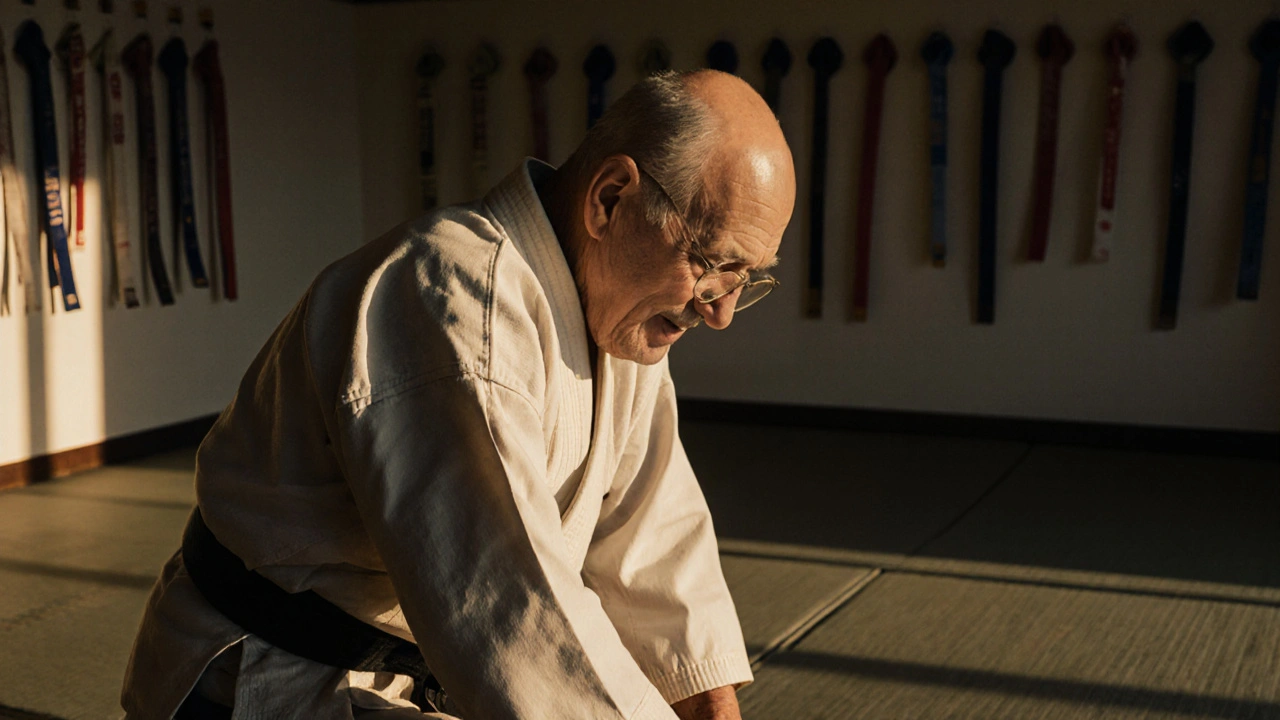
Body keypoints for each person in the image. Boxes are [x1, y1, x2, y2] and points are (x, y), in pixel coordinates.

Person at [121, 69, 795, 720]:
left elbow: (654, 543)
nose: (721, 311)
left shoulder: (626, 319)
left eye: (747, 279)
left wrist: (709, 707)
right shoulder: (450, 301)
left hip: (412, 679)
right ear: (611, 199)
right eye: (713, 264)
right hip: (275, 682)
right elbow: (514, 613)